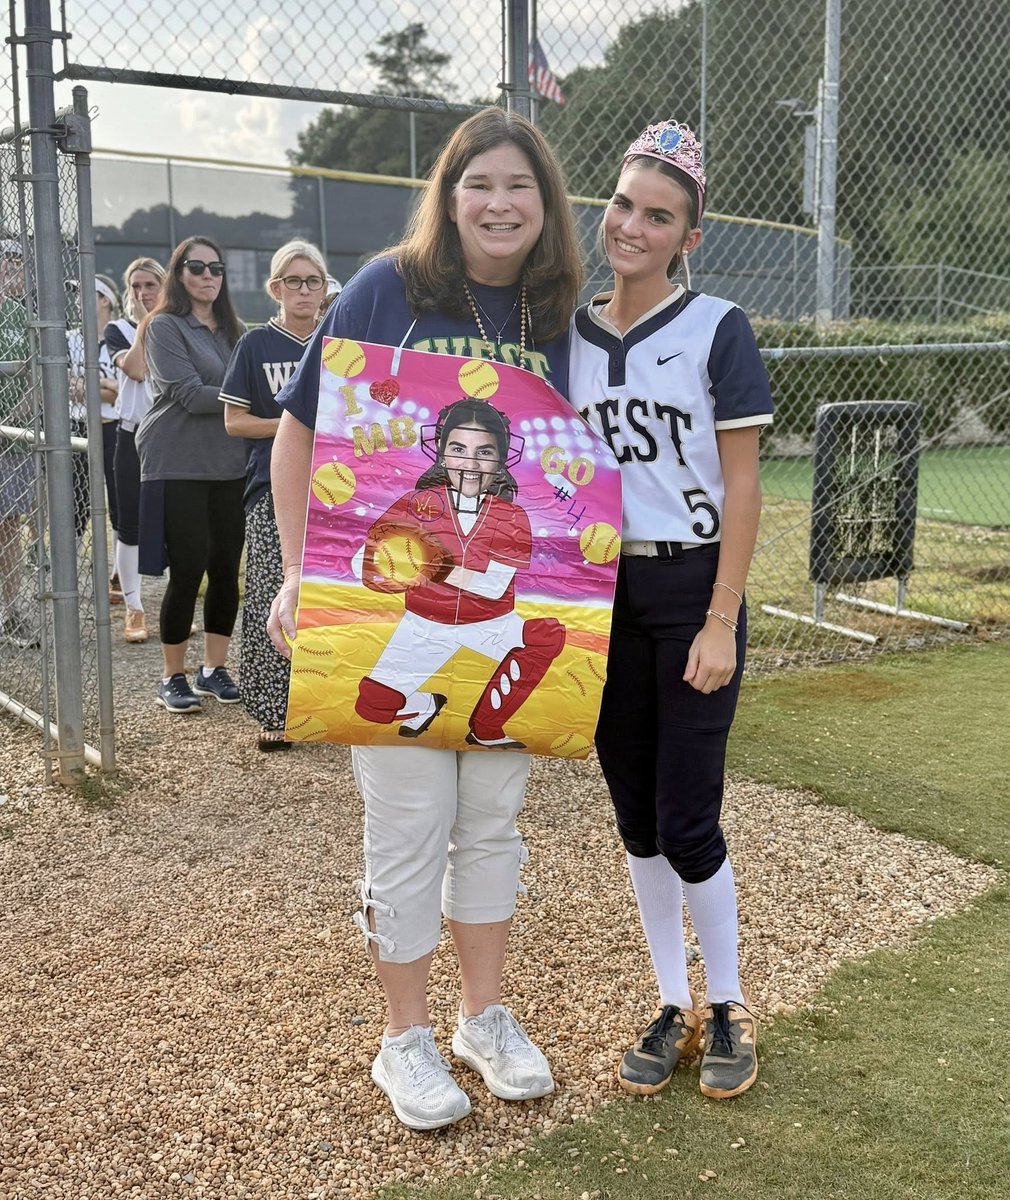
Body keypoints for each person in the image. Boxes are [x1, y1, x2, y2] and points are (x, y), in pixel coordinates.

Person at [268, 106, 582, 1132]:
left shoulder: (558, 317)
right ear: (448, 196)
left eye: (519, 187)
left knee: (491, 820)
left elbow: (579, 492)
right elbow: (300, 434)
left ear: (546, 206)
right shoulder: (385, 289)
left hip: (495, 613)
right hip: (403, 614)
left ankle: (479, 1018)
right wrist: (298, 577)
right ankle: (400, 1037)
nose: (499, 204)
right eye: (479, 184)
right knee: (409, 821)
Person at [567, 121, 773, 1101]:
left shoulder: (714, 328)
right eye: (621, 206)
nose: (632, 227)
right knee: (635, 817)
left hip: (691, 587)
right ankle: (668, 999)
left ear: (689, 236)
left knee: (688, 815)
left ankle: (727, 1001)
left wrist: (722, 617)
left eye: (658, 217)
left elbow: (741, 486)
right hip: (597, 593)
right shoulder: (563, 336)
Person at [355, 396, 565, 747]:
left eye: (484, 451)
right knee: (372, 708)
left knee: (547, 637)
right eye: (458, 448)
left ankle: (486, 728)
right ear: (441, 451)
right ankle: (426, 705)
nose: (470, 462)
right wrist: (386, 566)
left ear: (501, 457)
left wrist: (428, 567)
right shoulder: (415, 503)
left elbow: (493, 587)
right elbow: (364, 557)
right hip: (424, 623)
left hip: (488, 623)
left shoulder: (510, 515)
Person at [220, 239, 327, 749]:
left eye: (314, 281)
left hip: (336, 488)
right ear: (276, 288)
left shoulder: (338, 340)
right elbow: (233, 421)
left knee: (332, 596)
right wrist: (295, 428)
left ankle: (330, 703)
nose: (304, 291)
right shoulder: (256, 344)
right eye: (294, 281)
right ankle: (274, 709)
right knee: (272, 593)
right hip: (272, 484)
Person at [136, 236, 247, 713]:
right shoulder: (163, 325)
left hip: (229, 462)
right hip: (176, 459)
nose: (207, 276)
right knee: (187, 570)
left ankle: (212, 669)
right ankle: (172, 676)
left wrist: (247, 394)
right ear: (179, 274)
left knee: (225, 568)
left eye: (216, 268)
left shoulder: (235, 329)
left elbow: (228, 390)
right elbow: (188, 394)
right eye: (196, 267)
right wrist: (248, 394)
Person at [104, 256, 166, 643]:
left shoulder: (178, 327)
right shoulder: (118, 329)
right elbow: (137, 369)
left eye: (151, 286)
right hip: (130, 435)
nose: (143, 293)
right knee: (129, 527)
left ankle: (168, 606)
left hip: (169, 436)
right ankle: (134, 608)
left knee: (171, 524)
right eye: (136, 286)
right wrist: (149, 319)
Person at [67, 275, 121, 562]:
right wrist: (106, 385)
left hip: (113, 426)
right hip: (78, 427)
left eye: (86, 294)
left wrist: (85, 384)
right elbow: (65, 385)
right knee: (77, 499)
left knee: (119, 500)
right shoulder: (69, 338)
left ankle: (116, 572)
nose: (78, 300)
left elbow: (121, 392)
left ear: (105, 301)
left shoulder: (119, 337)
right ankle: (72, 566)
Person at [0, 240, 37, 648]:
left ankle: (11, 611)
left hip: (12, 440)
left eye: (18, 262)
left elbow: (36, 377)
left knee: (10, 525)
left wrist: (11, 421)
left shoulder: (22, 315)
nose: (13, 269)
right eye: (7, 261)